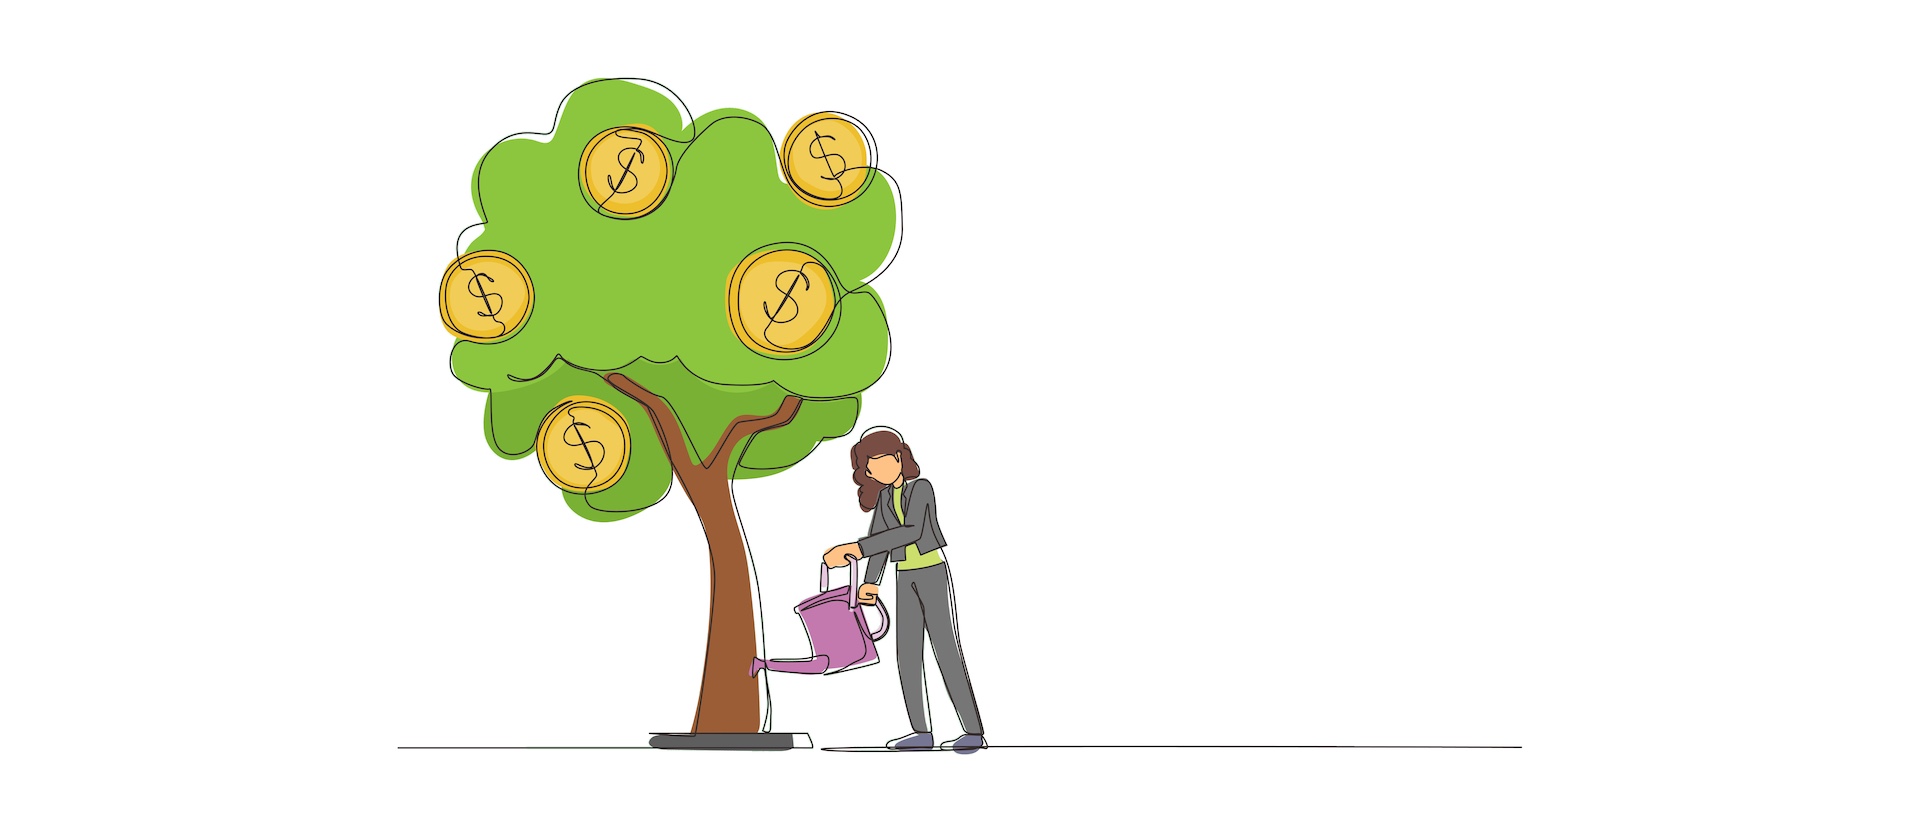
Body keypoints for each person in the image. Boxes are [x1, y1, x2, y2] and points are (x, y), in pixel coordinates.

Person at [824, 427, 986, 754]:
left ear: (899, 458)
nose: (879, 470)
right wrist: (871, 582)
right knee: (907, 653)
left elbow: (911, 531)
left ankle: (972, 730)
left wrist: (856, 548)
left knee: (946, 650)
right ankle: (920, 731)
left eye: (883, 461)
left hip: (932, 573)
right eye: (872, 467)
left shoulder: (922, 489)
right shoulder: (884, 498)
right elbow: (881, 539)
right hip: (904, 577)